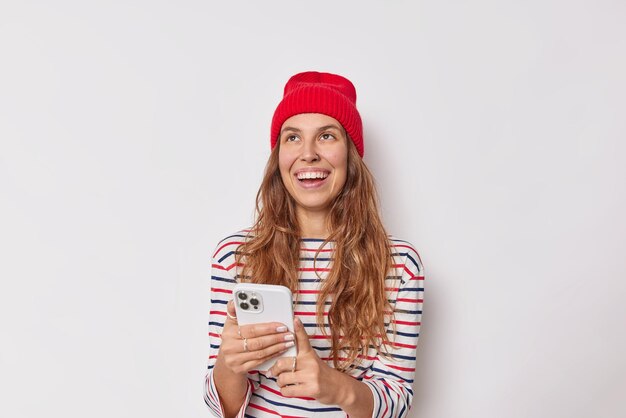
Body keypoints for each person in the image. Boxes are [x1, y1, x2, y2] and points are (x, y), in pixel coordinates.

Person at [204, 71, 424, 418]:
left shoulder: (398, 265)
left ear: (351, 155)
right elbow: (226, 409)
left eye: (326, 135)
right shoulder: (235, 256)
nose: (308, 153)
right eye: (293, 138)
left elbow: (397, 399)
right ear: (279, 158)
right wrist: (230, 365)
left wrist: (330, 384)